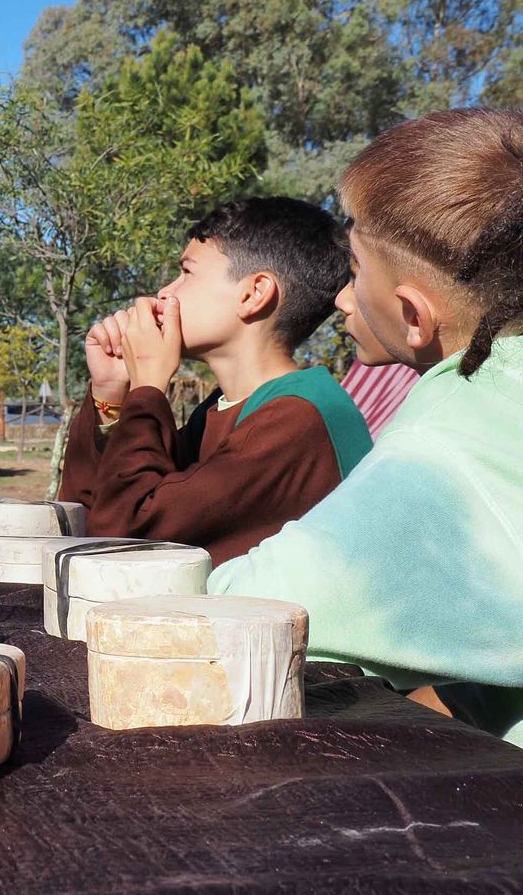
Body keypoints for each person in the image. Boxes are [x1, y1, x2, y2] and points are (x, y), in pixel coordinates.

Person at [211, 108, 523, 745]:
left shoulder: (443, 440)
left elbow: (243, 609)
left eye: (354, 272)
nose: (341, 299)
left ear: (414, 316)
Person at [60, 197, 371, 565]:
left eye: (186, 273)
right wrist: (111, 395)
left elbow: (127, 545)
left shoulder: (299, 418)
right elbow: (85, 521)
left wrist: (147, 389)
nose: (165, 293)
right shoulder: (223, 410)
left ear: (253, 294)